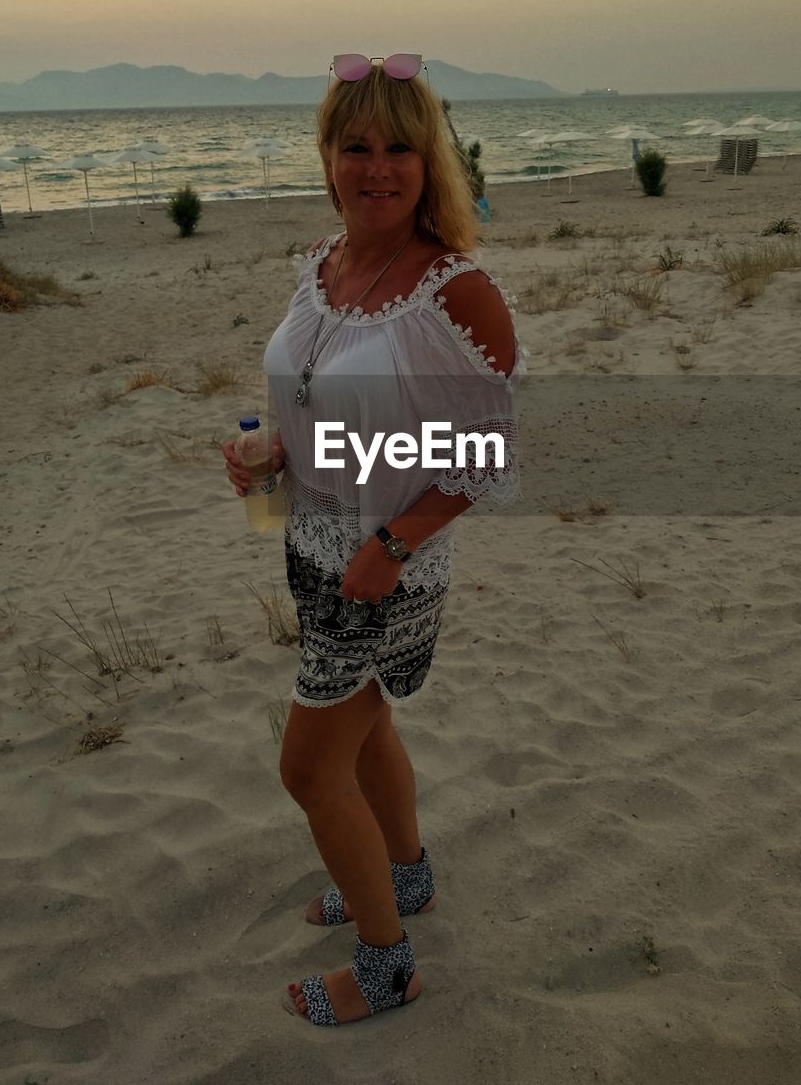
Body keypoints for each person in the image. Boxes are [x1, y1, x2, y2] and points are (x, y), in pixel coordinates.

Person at [222, 53, 522, 1028]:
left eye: (401, 145)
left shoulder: (452, 290)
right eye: (357, 145)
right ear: (328, 155)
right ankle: (408, 876)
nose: (378, 166)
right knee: (370, 727)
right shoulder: (323, 263)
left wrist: (391, 544)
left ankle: (389, 965)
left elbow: (486, 451)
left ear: (432, 160)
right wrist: (275, 451)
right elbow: (319, 395)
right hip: (311, 542)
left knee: (309, 767)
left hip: (383, 568)